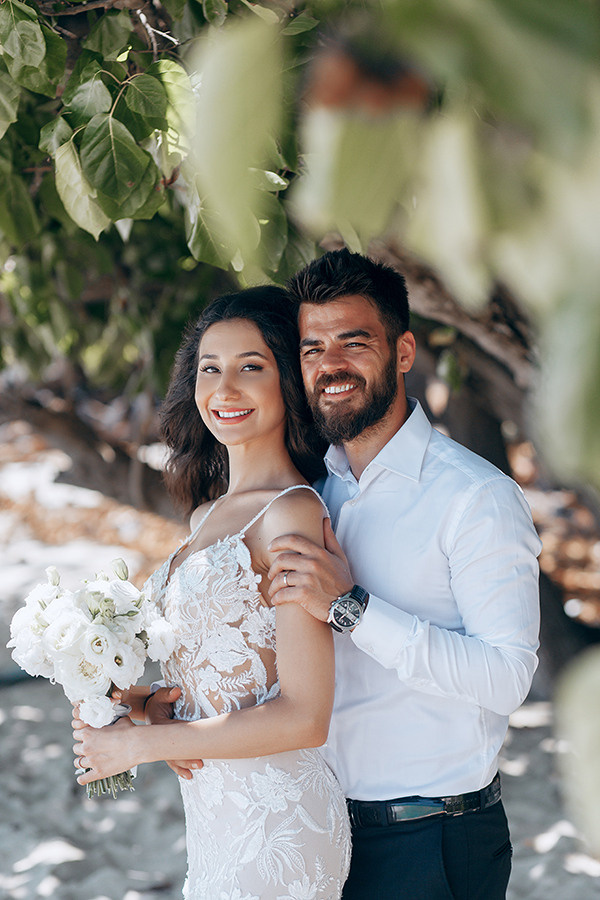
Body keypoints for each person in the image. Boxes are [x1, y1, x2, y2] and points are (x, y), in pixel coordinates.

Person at [265, 249, 542, 900]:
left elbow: (508, 678)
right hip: (319, 830)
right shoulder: (308, 494)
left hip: (431, 841)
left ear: (404, 351)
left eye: (354, 342)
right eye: (312, 349)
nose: (330, 364)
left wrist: (352, 608)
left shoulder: (474, 497)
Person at [72, 286, 351, 899]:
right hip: (214, 817)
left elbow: (306, 716)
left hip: (277, 824)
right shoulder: (206, 515)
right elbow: (219, 675)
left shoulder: (291, 514)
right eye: (209, 368)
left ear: (288, 381)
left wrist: (142, 745)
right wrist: (137, 704)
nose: (224, 390)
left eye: (250, 367)